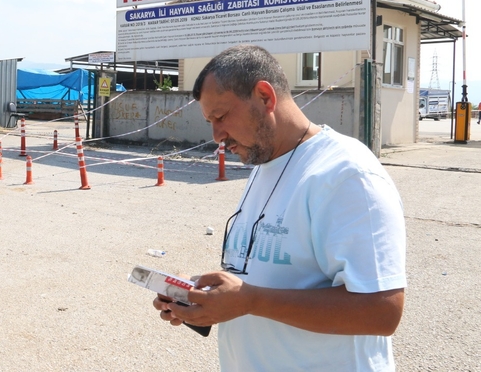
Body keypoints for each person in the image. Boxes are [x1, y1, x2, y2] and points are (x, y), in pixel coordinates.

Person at [153, 45, 406, 371]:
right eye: (209, 122)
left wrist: (250, 301)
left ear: (264, 97)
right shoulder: (264, 164)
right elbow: (264, 273)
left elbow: (381, 311)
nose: (217, 136)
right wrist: (202, 294)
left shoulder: (347, 174)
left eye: (220, 117)